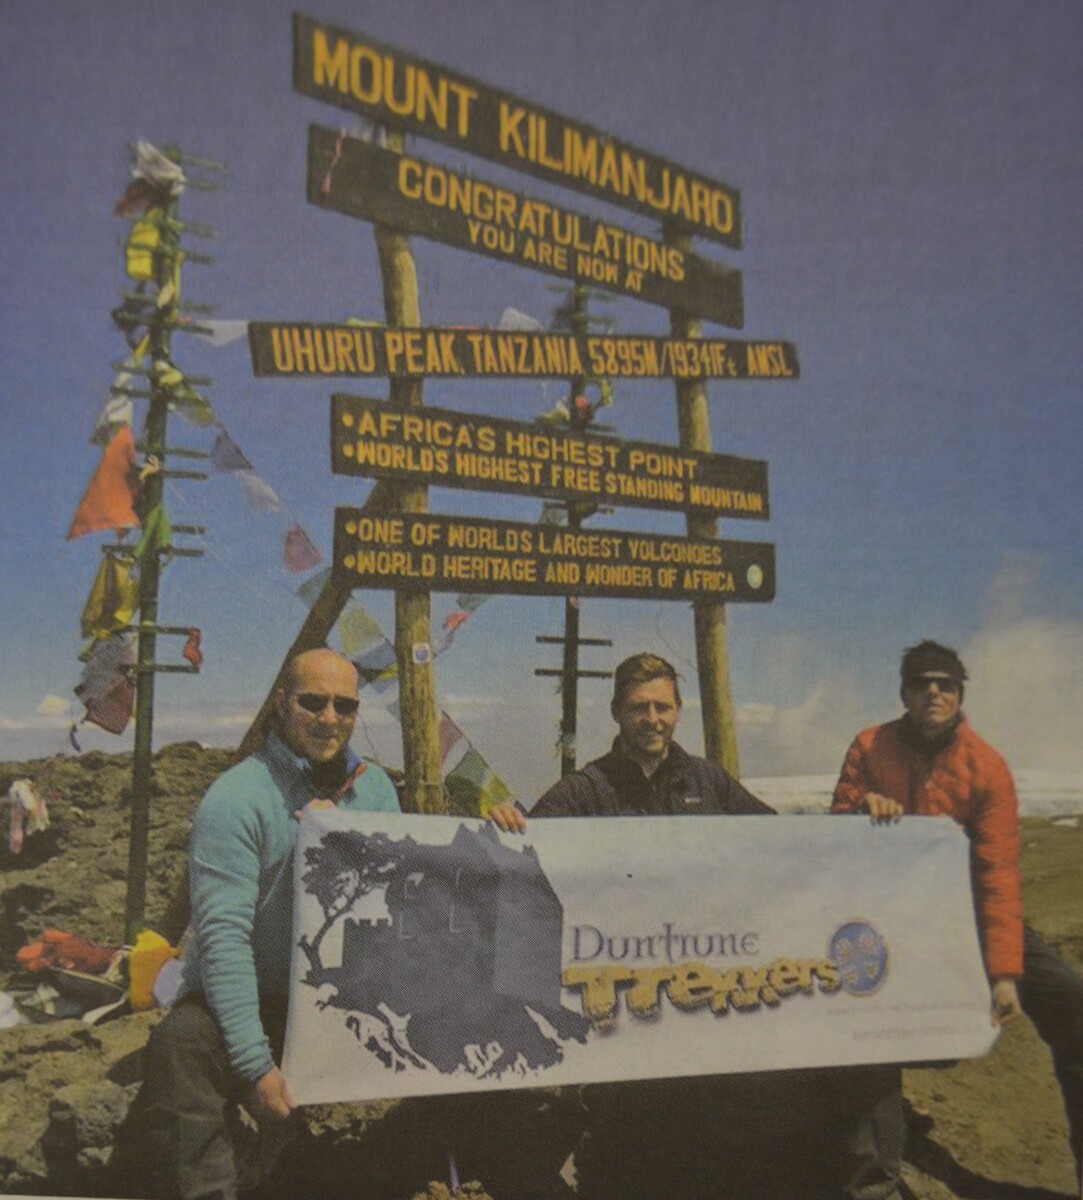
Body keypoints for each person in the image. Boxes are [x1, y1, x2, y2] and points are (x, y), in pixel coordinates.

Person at [130, 647, 401, 1200]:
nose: (330, 718)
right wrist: (255, 1067)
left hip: (338, 1000)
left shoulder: (376, 792)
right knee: (181, 1044)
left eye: (345, 705)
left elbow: (404, 897)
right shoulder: (236, 799)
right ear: (282, 704)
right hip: (254, 998)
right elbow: (223, 941)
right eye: (313, 702)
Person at [832, 639, 1083, 1187]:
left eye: (945, 684)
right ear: (904, 693)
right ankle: (874, 1178)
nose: (934, 693)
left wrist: (1005, 973)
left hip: (965, 912)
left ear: (960, 693)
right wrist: (859, 810)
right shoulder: (871, 747)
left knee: (1071, 1002)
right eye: (922, 683)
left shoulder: (986, 765)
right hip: (889, 917)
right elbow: (836, 832)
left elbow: (997, 875)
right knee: (865, 1020)